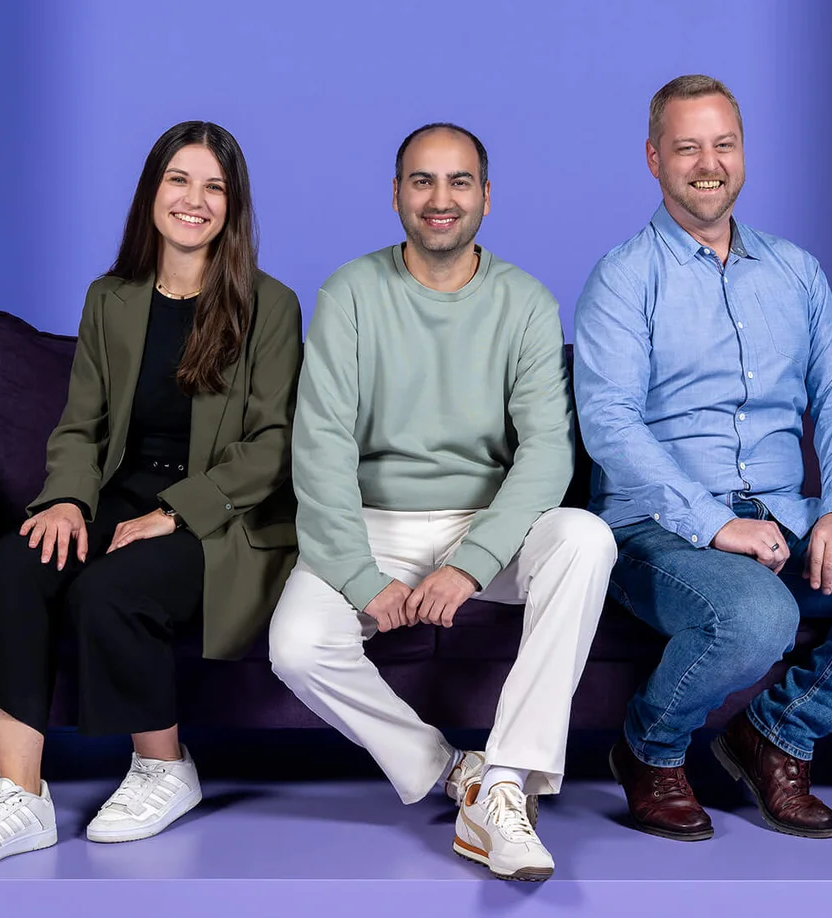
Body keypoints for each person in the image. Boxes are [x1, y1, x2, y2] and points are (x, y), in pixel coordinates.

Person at [574, 75, 832, 841]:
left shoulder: (796, 271)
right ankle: (648, 751)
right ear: (654, 159)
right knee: (761, 615)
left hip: (785, 515)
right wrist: (712, 523)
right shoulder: (624, 278)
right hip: (657, 530)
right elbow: (610, 423)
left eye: (723, 144)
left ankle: (777, 733)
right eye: (687, 147)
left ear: (743, 153)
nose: (708, 164)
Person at [0, 121, 303, 870]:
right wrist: (66, 500)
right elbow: (80, 427)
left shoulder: (271, 304)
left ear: (233, 205)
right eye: (179, 179)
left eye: (214, 187)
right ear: (152, 192)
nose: (194, 199)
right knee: (16, 565)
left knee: (111, 590)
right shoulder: (112, 298)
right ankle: (20, 798)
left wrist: (175, 513)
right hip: (118, 496)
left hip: (220, 517)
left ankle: (165, 769)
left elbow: (273, 446)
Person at [267, 123, 615, 881]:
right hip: (371, 523)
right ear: (396, 194)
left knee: (587, 539)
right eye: (422, 180)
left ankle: (508, 780)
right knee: (295, 644)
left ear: (486, 197)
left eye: (459, 181)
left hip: (485, 525)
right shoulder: (349, 293)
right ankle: (457, 771)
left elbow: (547, 452)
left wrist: (471, 562)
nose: (440, 198)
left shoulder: (525, 302)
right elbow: (321, 446)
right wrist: (361, 577)